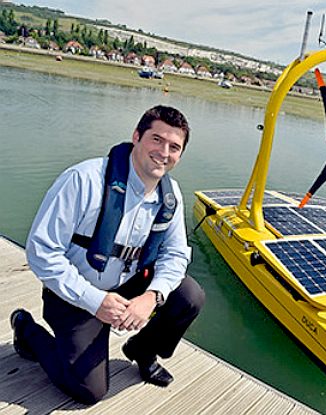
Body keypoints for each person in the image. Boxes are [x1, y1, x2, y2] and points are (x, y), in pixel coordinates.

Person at [10, 105, 205, 405]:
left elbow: (176, 255)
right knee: (89, 391)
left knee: (189, 295)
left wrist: (151, 297)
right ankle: (27, 330)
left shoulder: (172, 195)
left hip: (128, 286)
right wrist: (95, 300)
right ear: (137, 136)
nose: (164, 152)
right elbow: (42, 251)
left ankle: (141, 350)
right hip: (75, 294)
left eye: (174, 147)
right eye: (156, 139)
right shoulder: (82, 180)